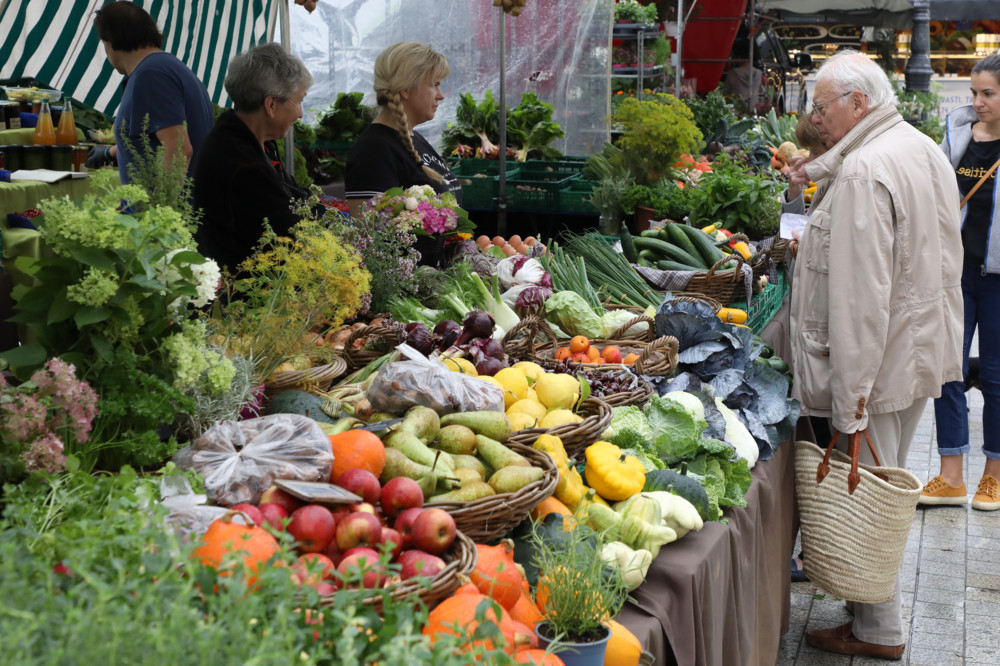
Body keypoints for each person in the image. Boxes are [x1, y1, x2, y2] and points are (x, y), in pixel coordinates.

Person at [789, 50, 963, 659]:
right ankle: (866, 610)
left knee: (866, 491)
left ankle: (877, 630)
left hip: (880, 362)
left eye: (821, 106)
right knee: (880, 481)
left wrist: (850, 400)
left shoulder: (867, 169)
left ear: (858, 104)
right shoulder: (918, 145)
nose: (813, 120)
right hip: (917, 351)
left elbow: (861, 300)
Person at [918, 54, 1000, 512]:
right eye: (974, 93)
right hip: (955, 273)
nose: (978, 101)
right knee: (945, 368)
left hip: (999, 280)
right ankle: (951, 476)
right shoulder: (957, 132)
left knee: (995, 379)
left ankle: (993, 477)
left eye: (988, 93)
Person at [193, 43, 317, 271]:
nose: (300, 114)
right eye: (298, 101)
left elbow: (294, 196)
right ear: (271, 105)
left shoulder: (252, 142)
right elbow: (288, 231)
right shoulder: (240, 161)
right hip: (242, 295)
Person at [87, 1, 214, 184]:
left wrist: (158, 208)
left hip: (169, 209)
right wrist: (111, 152)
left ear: (110, 40)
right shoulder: (168, 68)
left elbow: (178, 150)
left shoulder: (151, 75)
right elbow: (155, 136)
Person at [344, 42, 462, 219]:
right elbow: (370, 235)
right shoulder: (374, 151)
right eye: (434, 85)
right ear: (406, 89)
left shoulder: (413, 137)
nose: (441, 95)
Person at [722, 40, 764, 111]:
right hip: (754, 110)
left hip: (736, 111)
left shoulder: (732, 74)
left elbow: (725, 93)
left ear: (738, 56)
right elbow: (761, 92)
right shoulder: (758, 74)